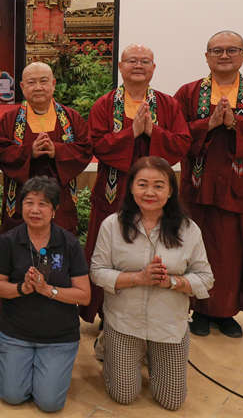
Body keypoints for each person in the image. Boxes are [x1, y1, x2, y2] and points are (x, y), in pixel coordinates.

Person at [174, 31, 243, 338]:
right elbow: (175, 134)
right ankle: (199, 310)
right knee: (197, 248)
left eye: (232, 50)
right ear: (207, 56)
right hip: (198, 188)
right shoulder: (188, 93)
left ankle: (226, 312)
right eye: (217, 50)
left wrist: (237, 123)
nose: (224, 55)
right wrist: (207, 124)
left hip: (239, 189)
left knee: (233, 251)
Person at [90, 157, 213, 411]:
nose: (149, 192)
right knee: (124, 394)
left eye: (158, 186)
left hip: (168, 325)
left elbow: (205, 278)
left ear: (170, 191)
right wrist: (138, 278)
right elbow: (97, 272)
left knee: (172, 401)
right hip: (124, 322)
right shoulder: (112, 225)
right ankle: (107, 343)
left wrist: (172, 282)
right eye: (142, 184)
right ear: (131, 188)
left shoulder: (188, 229)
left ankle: (149, 354)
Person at [81, 44, 190, 324]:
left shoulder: (168, 105)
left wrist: (153, 132)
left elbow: (181, 143)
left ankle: (155, 308)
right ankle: (107, 314)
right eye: (132, 61)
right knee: (111, 248)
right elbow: (96, 144)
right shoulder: (105, 104)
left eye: (144, 61)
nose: (138, 65)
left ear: (154, 67)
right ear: (120, 66)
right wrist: (131, 133)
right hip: (114, 191)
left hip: (156, 196)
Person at [0, 177, 92, 412]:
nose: (35, 210)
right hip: (16, 333)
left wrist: (48, 290)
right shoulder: (9, 241)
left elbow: (84, 295)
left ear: (54, 210)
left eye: (43, 204)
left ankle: (44, 369)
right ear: (21, 206)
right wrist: (21, 289)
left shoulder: (68, 243)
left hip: (59, 337)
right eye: (29, 203)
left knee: (49, 403)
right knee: (12, 396)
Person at [0, 61, 91, 234]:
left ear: (53, 84)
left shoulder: (70, 118)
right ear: (22, 87)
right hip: (21, 198)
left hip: (60, 199)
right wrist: (29, 152)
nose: (38, 87)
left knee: (59, 242)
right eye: (31, 82)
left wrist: (57, 151)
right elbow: (0, 152)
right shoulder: (10, 119)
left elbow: (85, 149)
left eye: (43, 81)